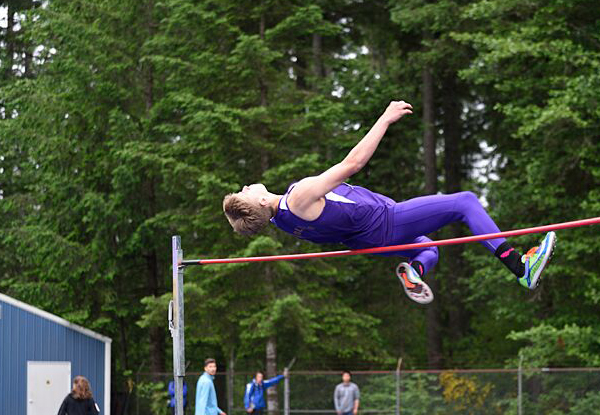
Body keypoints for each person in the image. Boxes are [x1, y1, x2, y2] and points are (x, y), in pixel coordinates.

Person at [222, 101, 556, 304]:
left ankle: (414, 272)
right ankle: (520, 267)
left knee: (429, 249)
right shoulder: (298, 197)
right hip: (386, 222)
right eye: (245, 191)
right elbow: (352, 164)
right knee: (465, 202)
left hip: (366, 240)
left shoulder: (280, 220)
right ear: (261, 199)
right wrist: (385, 118)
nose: (246, 185)